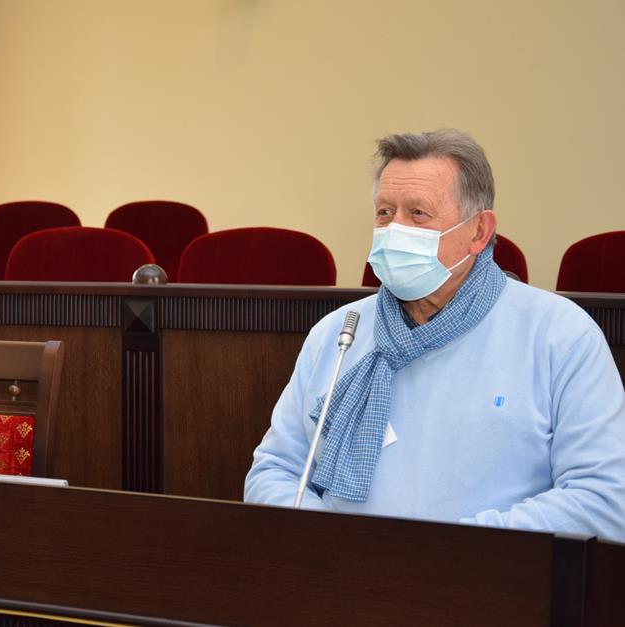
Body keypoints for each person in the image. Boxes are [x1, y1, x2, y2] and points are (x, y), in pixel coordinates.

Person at [244, 130, 625, 541]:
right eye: (385, 213)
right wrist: (337, 544)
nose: (394, 229)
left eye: (418, 214)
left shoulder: (560, 335)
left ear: (479, 231)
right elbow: (274, 472)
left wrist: (445, 554)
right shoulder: (338, 333)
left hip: (487, 575)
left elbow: (601, 500)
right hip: (340, 570)